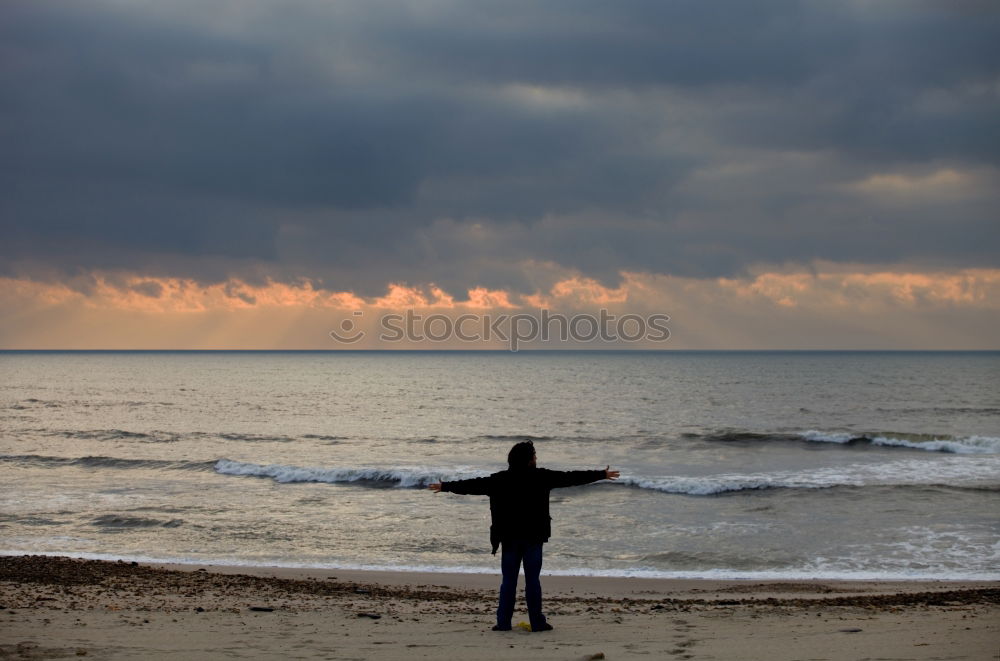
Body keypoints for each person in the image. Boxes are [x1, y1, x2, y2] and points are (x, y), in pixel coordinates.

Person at [428, 440, 619, 632]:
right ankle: (537, 623)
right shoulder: (542, 477)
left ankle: (503, 623)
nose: (536, 459)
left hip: (509, 538)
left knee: (508, 581)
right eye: (534, 456)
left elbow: (472, 485)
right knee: (532, 580)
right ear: (528, 460)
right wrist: (601, 474)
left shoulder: (499, 479)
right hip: (533, 538)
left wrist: (445, 487)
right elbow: (571, 478)